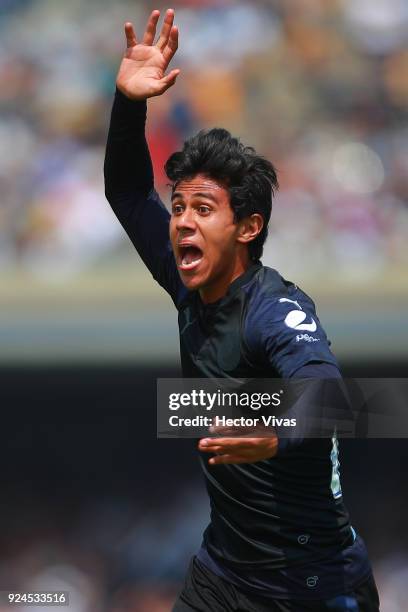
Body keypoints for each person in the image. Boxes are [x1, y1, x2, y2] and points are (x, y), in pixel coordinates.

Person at [104, 9, 380, 611]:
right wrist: (128, 104)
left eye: (202, 209)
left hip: (309, 583)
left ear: (249, 227)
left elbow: (328, 394)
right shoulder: (189, 282)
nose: (181, 221)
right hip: (223, 575)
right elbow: (127, 192)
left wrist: (275, 433)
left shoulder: (274, 309)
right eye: (178, 207)